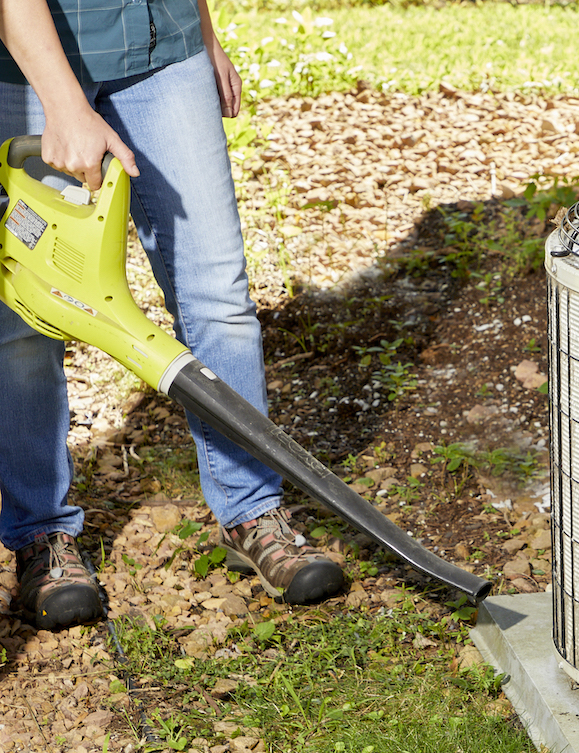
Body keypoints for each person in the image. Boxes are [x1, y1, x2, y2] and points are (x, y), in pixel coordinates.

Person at [0, 0, 345, 630]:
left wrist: (203, 33)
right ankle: (42, 537)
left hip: (163, 50)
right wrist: (63, 100)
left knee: (218, 295)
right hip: (23, 63)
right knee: (27, 319)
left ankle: (252, 513)